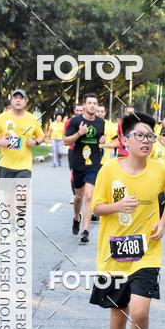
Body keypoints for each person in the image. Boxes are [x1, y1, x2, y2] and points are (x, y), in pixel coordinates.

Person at [91, 112, 165, 329]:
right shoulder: (109, 170)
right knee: (118, 314)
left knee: (139, 312)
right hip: (113, 254)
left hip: (147, 252)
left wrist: (162, 223)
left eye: (149, 136)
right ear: (125, 140)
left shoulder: (160, 170)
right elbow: (96, 208)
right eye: (139, 135)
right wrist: (117, 207)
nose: (146, 141)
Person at [64, 92, 105, 243]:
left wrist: (102, 139)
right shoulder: (75, 121)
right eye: (90, 103)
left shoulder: (101, 122)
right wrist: (79, 134)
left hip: (94, 164)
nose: (93, 105)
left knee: (89, 195)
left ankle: (85, 231)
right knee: (78, 197)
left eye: (95, 103)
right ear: (84, 105)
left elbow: (100, 140)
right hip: (78, 164)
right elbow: (66, 141)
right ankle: (77, 217)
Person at [0, 89, 45, 178]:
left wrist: (35, 142)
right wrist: (0, 142)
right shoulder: (2, 117)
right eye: (15, 98)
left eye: (21, 98)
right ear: (11, 101)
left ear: (25, 102)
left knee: (21, 192)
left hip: (24, 167)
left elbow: (41, 136)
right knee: (6, 192)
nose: (18, 100)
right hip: (6, 165)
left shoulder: (32, 119)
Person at [65, 103, 83, 201]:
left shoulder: (88, 121)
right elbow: (66, 138)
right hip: (72, 150)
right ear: (74, 111)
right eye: (77, 110)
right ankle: (74, 195)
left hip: (85, 151)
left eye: (81, 110)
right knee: (73, 174)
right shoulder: (69, 122)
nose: (79, 112)